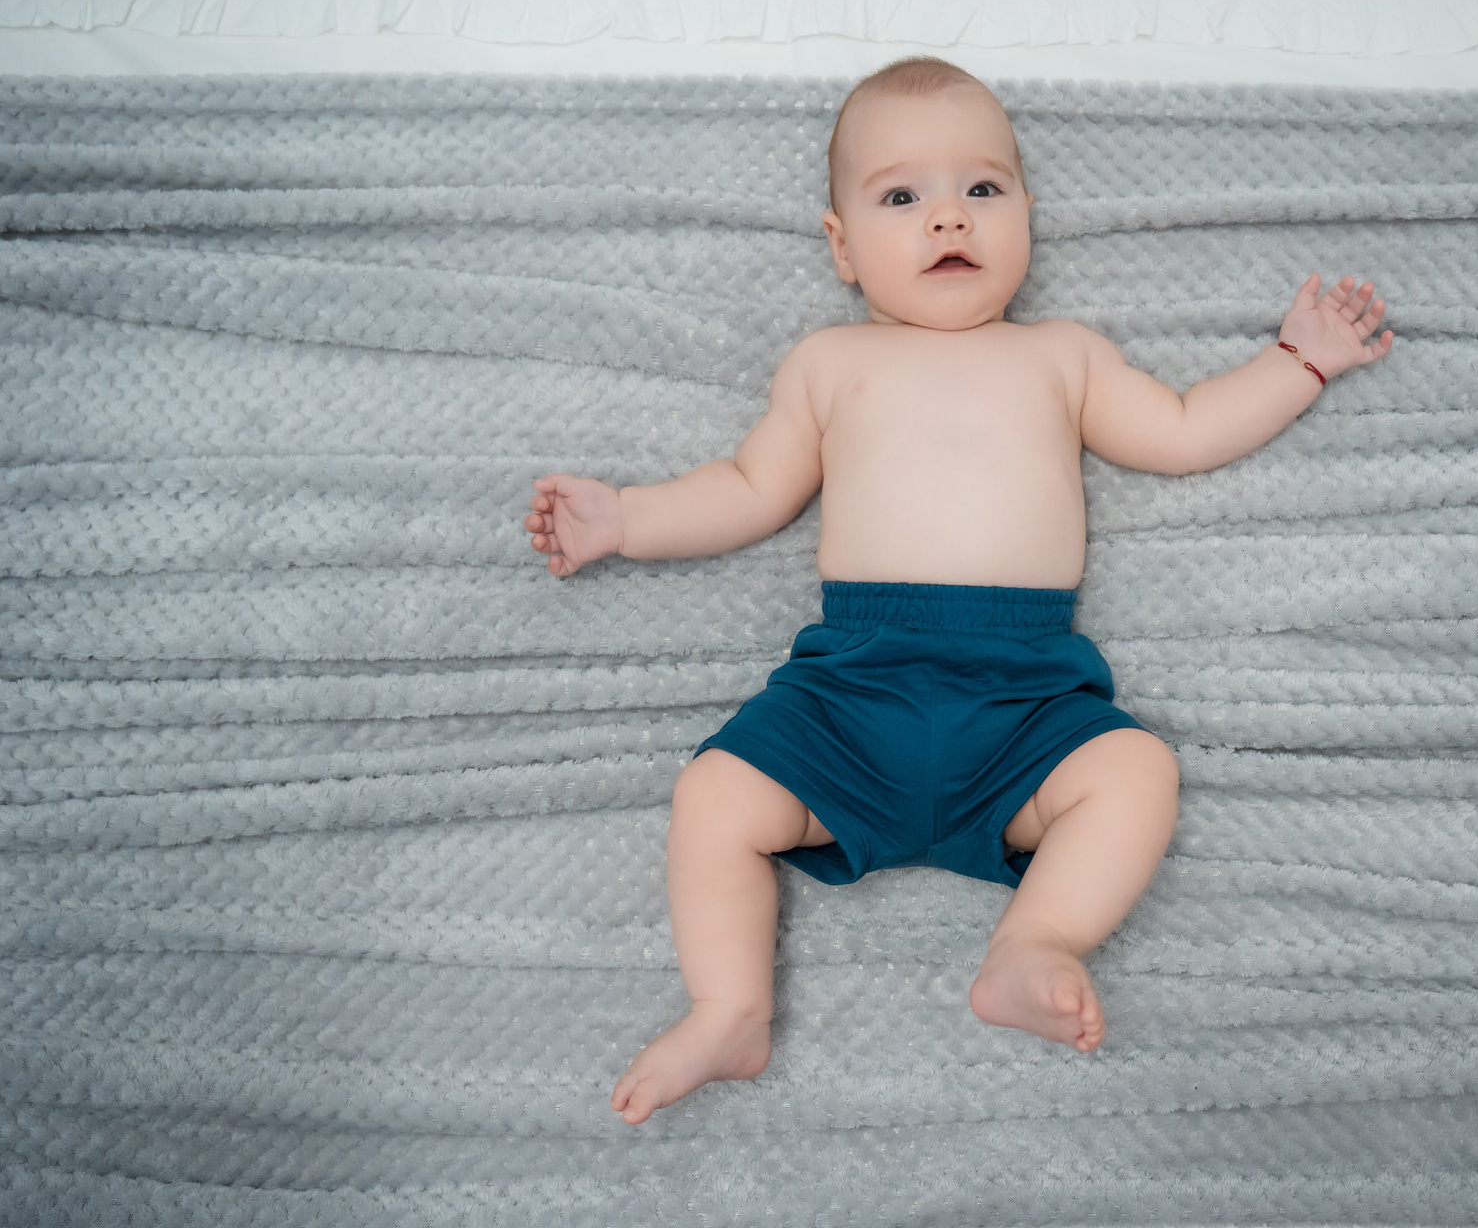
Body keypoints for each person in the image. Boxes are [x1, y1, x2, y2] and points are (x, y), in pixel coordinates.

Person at [523, 56, 1394, 1126]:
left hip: (1023, 701)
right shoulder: (829, 363)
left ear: (1028, 213)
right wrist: (625, 518)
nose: (949, 217)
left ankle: (1035, 941)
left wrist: (1298, 362)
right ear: (842, 247)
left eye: (983, 188)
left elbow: (1180, 430)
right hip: (851, 696)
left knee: (1135, 771)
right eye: (902, 197)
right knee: (713, 795)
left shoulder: (1063, 357)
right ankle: (730, 1007)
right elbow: (749, 489)